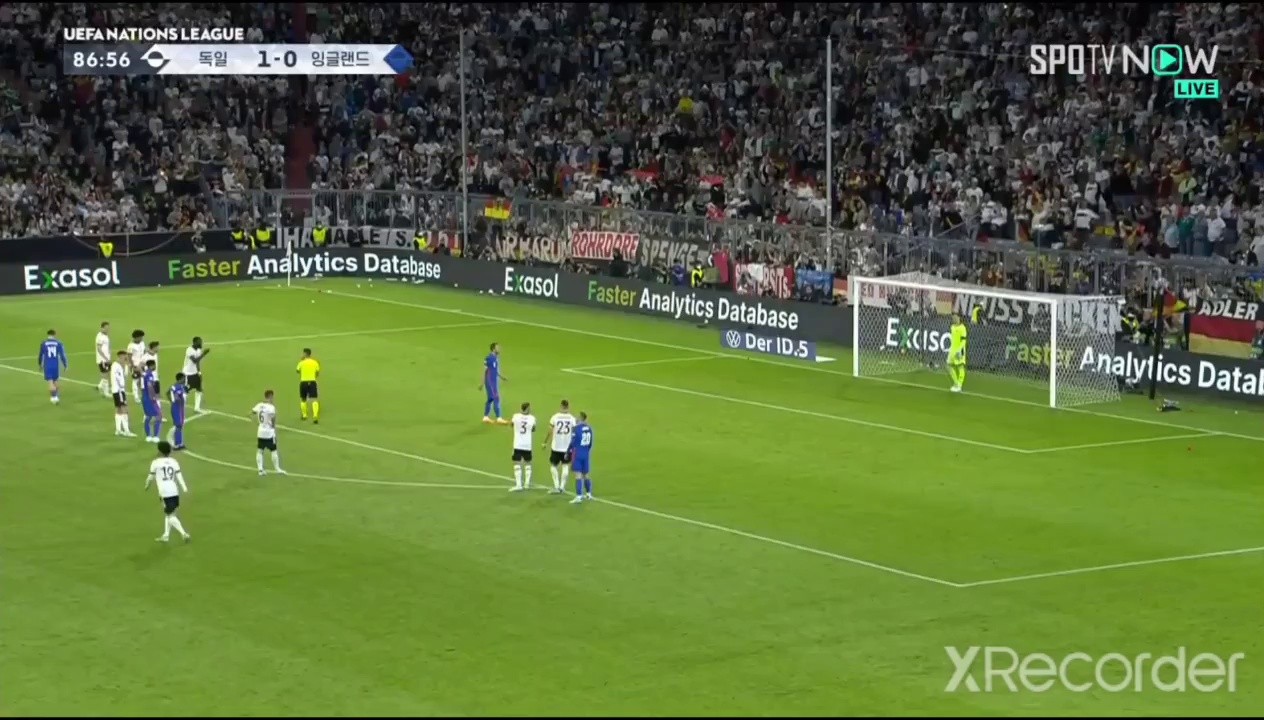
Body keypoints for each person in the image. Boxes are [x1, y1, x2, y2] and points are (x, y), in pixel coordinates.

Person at [145, 440, 190, 543]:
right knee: (170, 513)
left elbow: (150, 477)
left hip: (164, 491)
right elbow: (179, 475)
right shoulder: (174, 461)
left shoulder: (155, 463)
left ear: (159, 451)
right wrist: (184, 487)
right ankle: (166, 535)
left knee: (170, 515)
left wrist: (146, 485)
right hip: (174, 490)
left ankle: (184, 534)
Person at [543, 400, 577, 494]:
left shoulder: (555, 417)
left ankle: (556, 486)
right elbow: (574, 433)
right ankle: (562, 487)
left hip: (556, 446)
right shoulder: (572, 418)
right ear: (568, 406)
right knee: (565, 465)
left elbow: (550, 431)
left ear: (561, 406)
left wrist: (545, 442)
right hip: (567, 447)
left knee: (553, 466)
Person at [252, 390, 286, 476]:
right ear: (270, 396)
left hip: (260, 432)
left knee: (260, 451)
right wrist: (274, 429)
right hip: (269, 432)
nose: (273, 398)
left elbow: (251, 413)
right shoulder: (271, 407)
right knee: (273, 450)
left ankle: (260, 470)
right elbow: (273, 419)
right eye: (273, 397)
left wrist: (256, 423)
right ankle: (277, 469)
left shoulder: (259, 405)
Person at [509, 401, 536, 492]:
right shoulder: (532, 418)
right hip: (527, 444)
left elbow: (511, 425)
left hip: (518, 444)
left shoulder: (516, 416)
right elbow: (533, 429)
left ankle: (518, 485)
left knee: (517, 464)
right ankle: (527, 484)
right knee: (528, 463)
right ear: (527, 408)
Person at [480, 342, 509, 424]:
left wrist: (501, 377)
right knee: (496, 398)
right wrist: (482, 383)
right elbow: (485, 371)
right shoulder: (489, 358)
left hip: (493, 381)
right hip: (490, 381)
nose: (499, 349)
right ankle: (499, 418)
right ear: (493, 349)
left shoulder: (495, 358)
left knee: (490, 399)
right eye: (497, 348)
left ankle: (485, 417)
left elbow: (494, 370)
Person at [569, 412, 595, 504]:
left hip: (577, 453)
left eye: (578, 417)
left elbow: (572, 443)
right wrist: (586, 451)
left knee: (578, 475)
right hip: (586, 453)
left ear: (580, 418)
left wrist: (568, 452)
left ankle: (579, 496)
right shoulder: (589, 428)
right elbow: (590, 443)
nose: (576, 418)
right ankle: (588, 494)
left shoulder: (576, 429)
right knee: (586, 474)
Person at [109, 350, 135, 437]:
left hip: (118, 390)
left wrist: (126, 366)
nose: (126, 359)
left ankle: (118, 430)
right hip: (119, 390)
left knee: (119, 409)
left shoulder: (121, 365)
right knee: (124, 409)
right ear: (120, 356)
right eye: (124, 357)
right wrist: (121, 387)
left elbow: (126, 375)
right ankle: (127, 431)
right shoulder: (115, 366)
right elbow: (119, 379)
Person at [38, 329, 67, 404]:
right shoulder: (59, 343)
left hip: (47, 365)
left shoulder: (44, 343)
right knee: (56, 381)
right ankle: (56, 396)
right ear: (54, 334)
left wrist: (40, 364)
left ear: (48, 335)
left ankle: (54, 398)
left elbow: (40, 355)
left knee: (50, 382)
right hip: (55, 365)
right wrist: (65, 364)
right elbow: (62, 355)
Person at [182, 337, 209, 413]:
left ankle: (197, 408)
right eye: (199, 342)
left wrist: (199, 372)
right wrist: (204, 354)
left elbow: (198, 362)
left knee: (199, 389)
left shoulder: (198, 350)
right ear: (195, 343)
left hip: (195, 372)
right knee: (186, 391)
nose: (201, 343)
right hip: (187, 373)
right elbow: (194, 360)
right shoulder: (189, 350)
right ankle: (180, 406)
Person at [297, 348, 321, 423]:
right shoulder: (315, 362)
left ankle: (304, 415)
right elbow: (317, 372)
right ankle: (315, 415)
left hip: (303, 382)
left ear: (305, 354)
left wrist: (301, 361)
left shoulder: (301, 362)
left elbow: (297, 370)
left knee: (303, 399)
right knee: (314, 399)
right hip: (312, 382)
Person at [141, 359, 163, 442]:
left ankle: (148, 436)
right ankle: (155, 436)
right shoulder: (149, 374)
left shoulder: (145, 374)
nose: (155, 367)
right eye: (154, 365)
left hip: (145, 397)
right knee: (159, 416)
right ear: (151, 366)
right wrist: (153, 396)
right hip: (150, 398)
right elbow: (150, 386)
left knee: (149, 416)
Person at [948, 313, 969, 393]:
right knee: (949, 366)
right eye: (953, 317)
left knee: (960, 367)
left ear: (959, 318)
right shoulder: (952, 327)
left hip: (959, 350)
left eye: (956, 317)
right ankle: (956, 383)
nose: (954, 319)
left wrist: (959, 350)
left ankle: (959, 385)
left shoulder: (962, 328)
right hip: (952, 350)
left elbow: (963, 341)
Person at [169, 372, 189, 450]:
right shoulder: (175, 387)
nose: (185, 380)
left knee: (180, 425)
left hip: (180, 408)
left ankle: (180, 443)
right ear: (180, 379)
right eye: (184, 379)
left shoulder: (181, 386)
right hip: (176, 408)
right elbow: (176, 397)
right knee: (178, 425)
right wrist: (175, 399)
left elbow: (168, 393)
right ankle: (176, 445)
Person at [127, 330, 146, 402]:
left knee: (142, 380)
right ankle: (136, 396)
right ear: (136, 337)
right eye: (141, 337)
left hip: (142, 364)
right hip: (135, 365)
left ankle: (142, 394)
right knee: (135, 380)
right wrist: (132, 366)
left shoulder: (142, 343)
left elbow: (144, 352)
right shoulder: (131, 346)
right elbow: (129, 357)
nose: (142, 338)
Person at [95, 321, 111, 397]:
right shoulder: (100, 337)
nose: (107, 329)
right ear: (102, 328)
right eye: (106, 328)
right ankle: (106, 392)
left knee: (107, 373)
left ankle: (100, 386)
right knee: (105, 375)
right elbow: (99, 348)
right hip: (102, 359)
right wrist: (105, 358)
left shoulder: (105, 335)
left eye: (108, 328)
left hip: (106, 359)